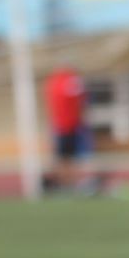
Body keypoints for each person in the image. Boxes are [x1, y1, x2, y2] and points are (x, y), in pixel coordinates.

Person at [44, 63, 91, 193]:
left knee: (66, 158)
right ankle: (65, 184)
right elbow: (81, 98)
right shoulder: (69, 80)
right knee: (65, 158)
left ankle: (68, 184)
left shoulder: (53, 81)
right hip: (66, 126)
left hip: (64, 126)